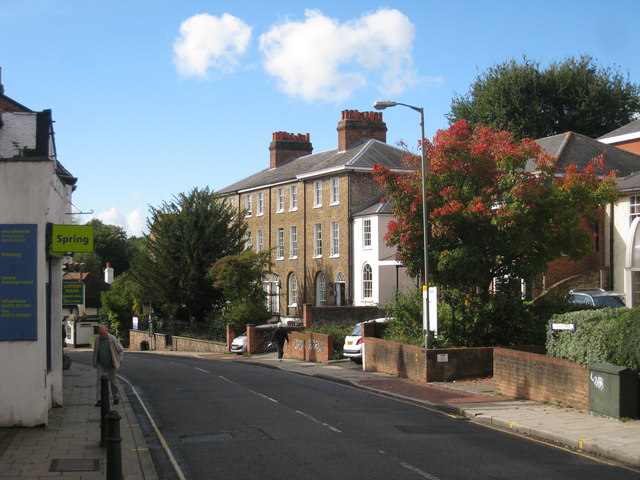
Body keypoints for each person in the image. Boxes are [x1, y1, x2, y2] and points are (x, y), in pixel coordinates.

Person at [93, 325, 124, 407]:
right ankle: (99, 400)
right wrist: (95, 362)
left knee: (113, 382)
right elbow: (95, 351)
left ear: (107, 331)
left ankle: (115, 397)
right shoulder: (97, 339)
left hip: (111, 364)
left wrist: (119, 360)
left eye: (104, 333)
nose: (102, 335)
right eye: (101, 333)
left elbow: (121, 350)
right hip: (101, 364)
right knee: (99, 382)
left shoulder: (113, 339)